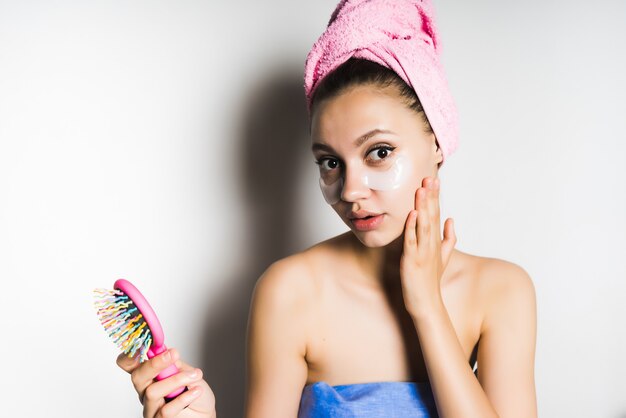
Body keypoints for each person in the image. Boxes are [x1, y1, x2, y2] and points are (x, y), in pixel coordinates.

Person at [116, 1, 538, 417]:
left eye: (380, 152)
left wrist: (427, 305)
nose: (350, 191)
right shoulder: (290, 293)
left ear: (437, 144)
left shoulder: (501, 292)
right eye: (330, 163)